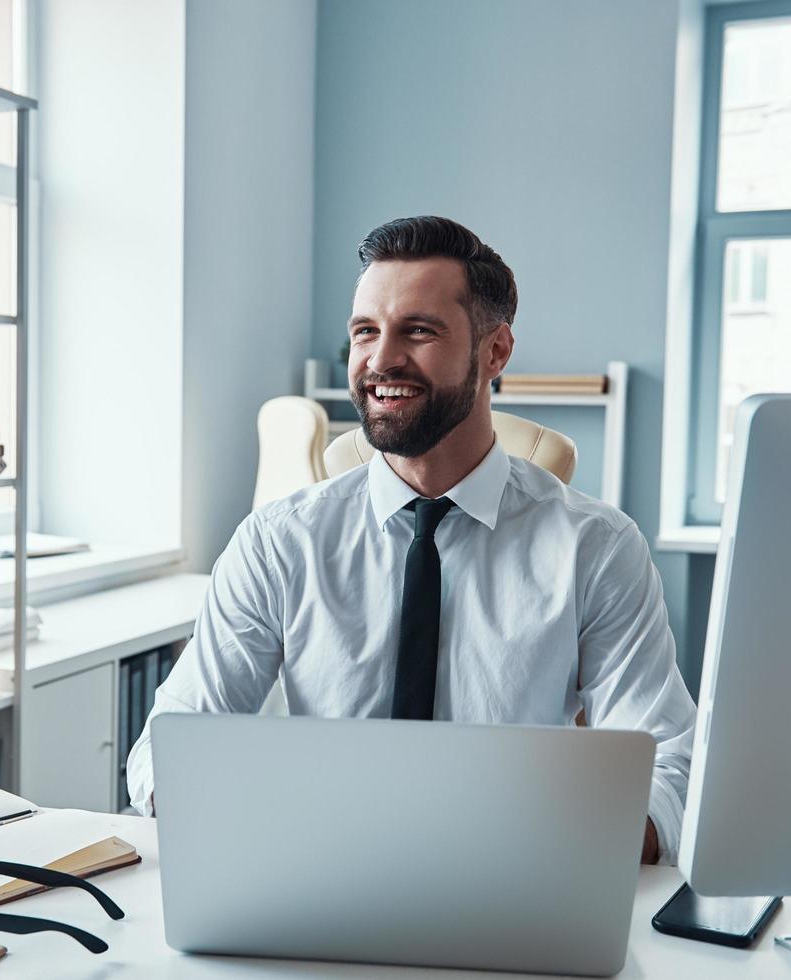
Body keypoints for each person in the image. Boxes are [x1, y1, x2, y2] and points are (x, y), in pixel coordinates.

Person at [126, 215, 695, 864]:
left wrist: (557, 845)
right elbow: (163, 750)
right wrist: (230, 808)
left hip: (512, 878)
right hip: (314, 875)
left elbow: (667, 769)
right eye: (364, 331)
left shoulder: (593, 547)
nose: (380, 359)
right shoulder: (278, 543)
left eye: (418, 331)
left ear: (495, 352)